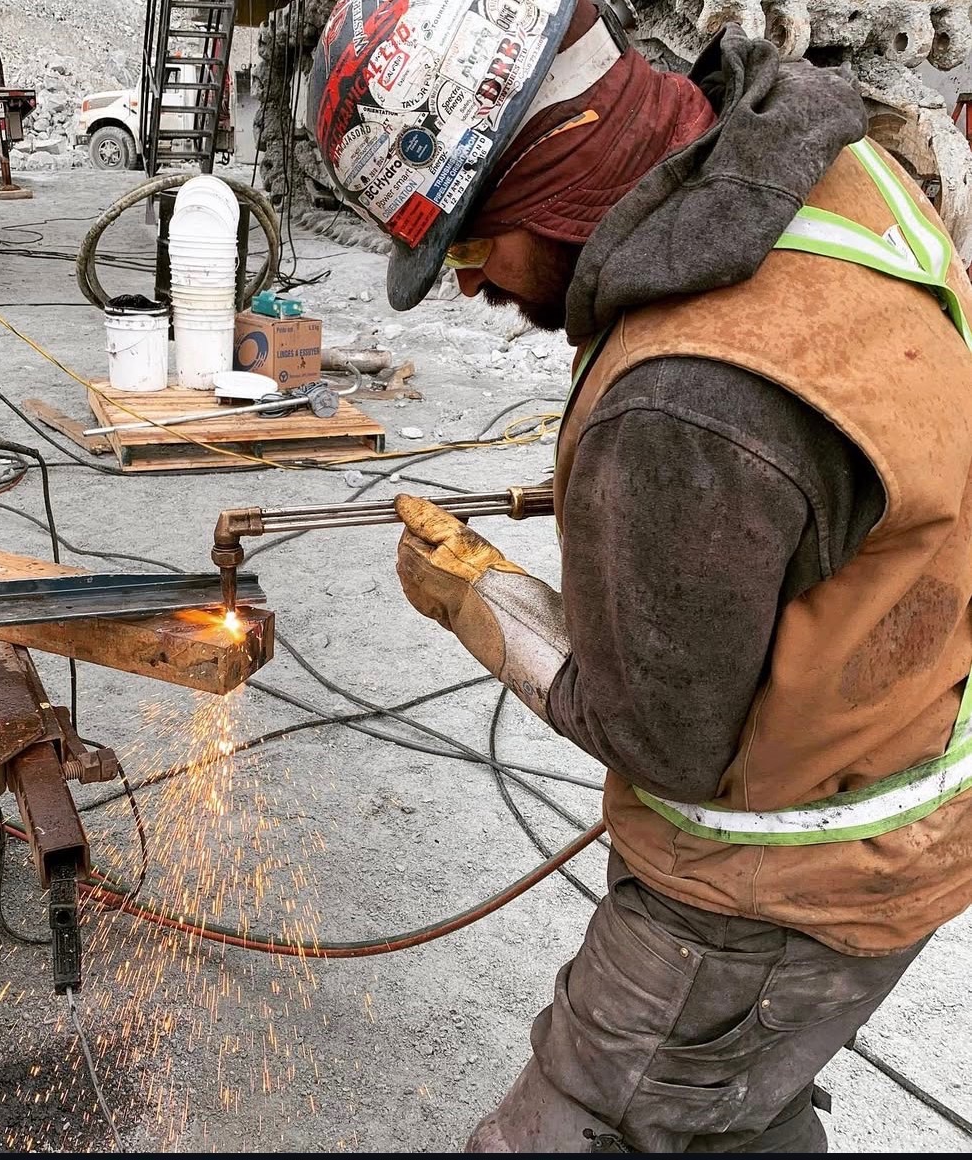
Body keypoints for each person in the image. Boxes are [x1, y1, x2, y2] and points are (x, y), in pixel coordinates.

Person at [309, 0, 972, 1152]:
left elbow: (657, 734)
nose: (468, 285)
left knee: (590, 1122)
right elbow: (812, 466)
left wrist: (483, 600)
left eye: (467, 243)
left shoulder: (680, 408)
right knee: (735, 1108)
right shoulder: (836, 165)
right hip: (903, 798)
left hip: (767, 890)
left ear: (551, 154)